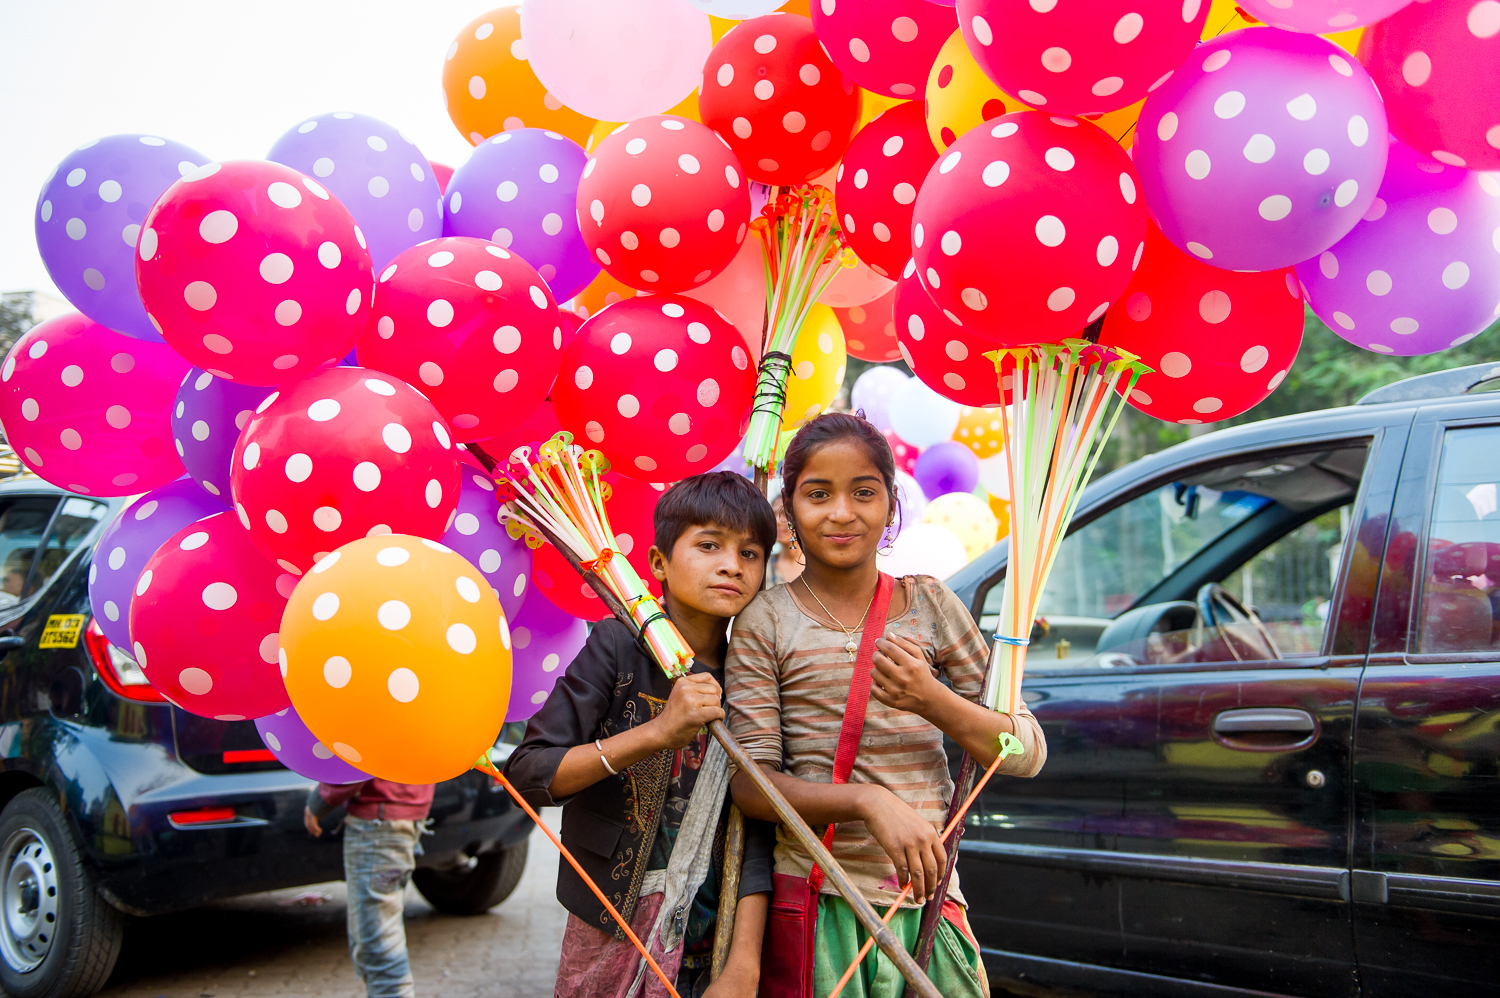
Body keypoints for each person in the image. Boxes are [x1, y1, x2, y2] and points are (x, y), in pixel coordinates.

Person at [725, 411, 1048, 998]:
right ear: (789, 509)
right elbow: (751, 786)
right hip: (818, 904)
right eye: (818, 494)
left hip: (927, 905)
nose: (842, 512)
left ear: (891, 504)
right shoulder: (764, 621)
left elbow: (1022, 751)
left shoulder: (930, 606)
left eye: (864, 493)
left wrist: (934, 702)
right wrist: (868, 802)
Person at [506, 471, 779, 998]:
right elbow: (530, 772)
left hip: (714, 934)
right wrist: (657, 733)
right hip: (612, 919)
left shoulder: (757, 671)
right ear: (659, 563)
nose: (731, 565)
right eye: (709, 545)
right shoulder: (617, 646)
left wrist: (744, 963)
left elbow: (761, 827)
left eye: (750, 554)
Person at [304, 779, 435, 998]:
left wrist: (319, 801)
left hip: (379, 826)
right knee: (375, 936)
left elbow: (358, 763)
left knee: (378, 943)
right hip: (402, 812)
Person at [765, 486, 804, 588]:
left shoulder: (818, 567)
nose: (777, 521)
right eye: (774, 514)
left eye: (785, 514)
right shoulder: (764, 567)